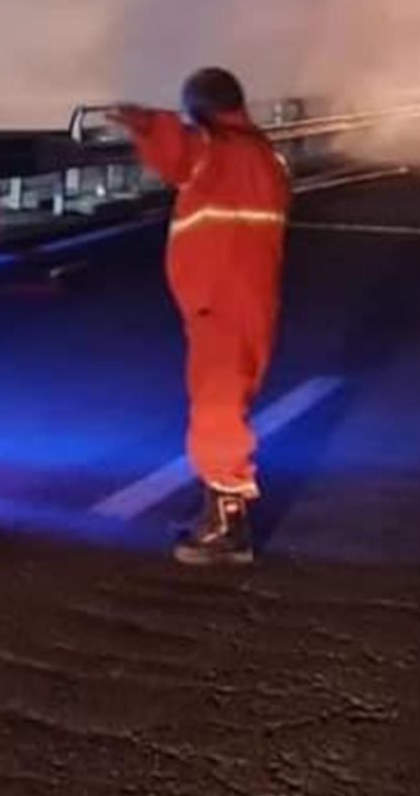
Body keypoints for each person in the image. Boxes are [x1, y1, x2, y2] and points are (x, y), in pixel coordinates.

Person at [115, 67, 290, 567]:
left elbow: (177, 153)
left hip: (222, 302)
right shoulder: (259, 153)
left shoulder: (219, 149)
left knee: (217, 408)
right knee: (222, 402)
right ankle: (218, 509)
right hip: (240, 300)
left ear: (201, 109)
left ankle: (227, 527)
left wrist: (146, 123)